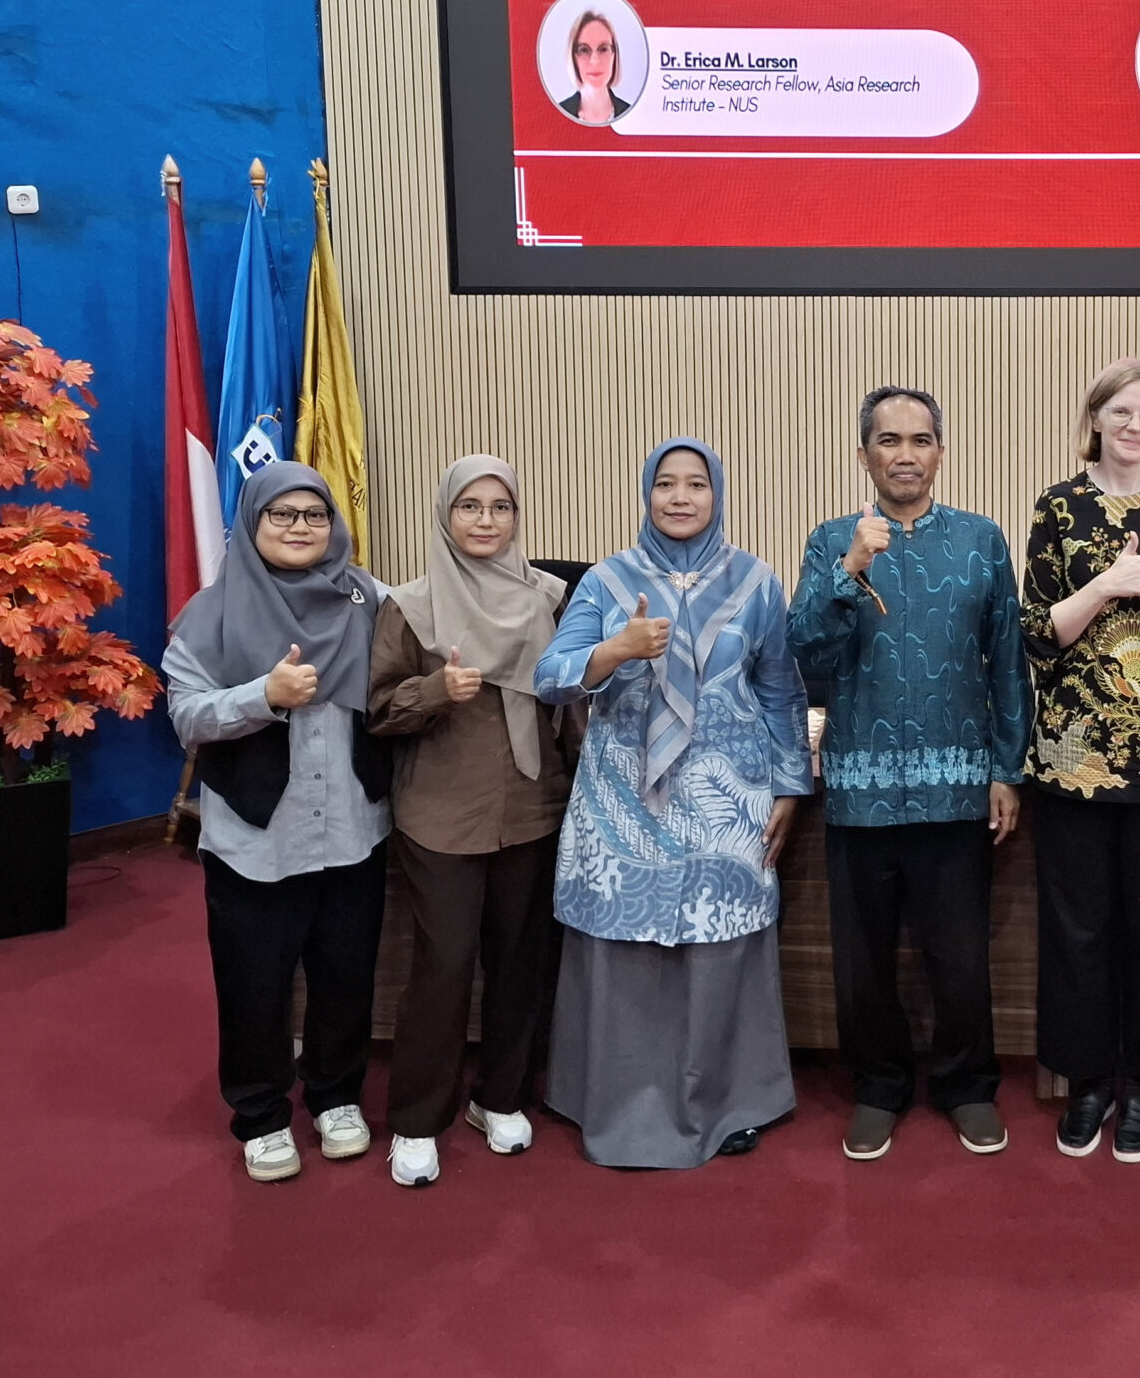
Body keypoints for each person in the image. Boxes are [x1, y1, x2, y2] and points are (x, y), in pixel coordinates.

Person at [532, 439, 811, 1168]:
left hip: (726, 798)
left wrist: (789, 786)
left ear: (718, 495)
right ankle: (619, 1104)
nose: (681, 497)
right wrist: (616, 649)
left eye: (696, 484)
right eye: (665, 484)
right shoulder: (607, 581)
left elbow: (780, 691)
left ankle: (730, 1104)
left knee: (718, 947)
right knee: (625, 949)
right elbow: (550, 677)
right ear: (646, 493)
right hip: (624, 797)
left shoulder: (755, 582)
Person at [789, 386, 1030, 1163]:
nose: (904, 454)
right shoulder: (833, 540)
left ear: (940, 453)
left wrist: (1007, 767)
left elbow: (1008, 660)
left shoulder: (980, 540)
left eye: (919, 440)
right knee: (862, 960)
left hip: (957, 783)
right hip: (860, 785)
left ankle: (967, 1086)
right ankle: (879, 1087)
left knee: (959, 956)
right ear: (864, 455)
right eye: (888, 441)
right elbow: (805, 651)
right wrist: (849, 571)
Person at [163, 461, 389, 1184]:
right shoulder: (211, 613)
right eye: (282, 515)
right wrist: (263, 694)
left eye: (314, 515)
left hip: (353, 830)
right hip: (256, 839)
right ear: (252, 523)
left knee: (346, 975)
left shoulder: (369, 599)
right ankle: (260, 1115)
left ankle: (335, 1096)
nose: (300, 528)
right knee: (253, 985)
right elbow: (186, 717)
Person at [1021, 358, 1140, 1164]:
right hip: (1069, 758)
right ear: (1095, 418)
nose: (1138, 426)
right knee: (1077, 931)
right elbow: (1039, 636)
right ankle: (1088, 1080)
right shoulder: (1057, 507)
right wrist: (1104, 583)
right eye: (1123, 412)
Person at [367, 455, 575, 1188]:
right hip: (441, 814)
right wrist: (435, 690)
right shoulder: (410, 606)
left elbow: (572, 700)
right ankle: (418, 1118)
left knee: (520, 961)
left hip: (532, 805)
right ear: (445, 515)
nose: (486, 520)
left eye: (500, 507)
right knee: (445, 964)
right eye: (470, 506)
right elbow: (380, 711)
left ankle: (500, 1097)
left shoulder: (551, 598)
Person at [557, 11, 627, 126]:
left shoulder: (633, 115)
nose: (595, 61)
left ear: (614, 55)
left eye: (603, 49)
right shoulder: (555, 116)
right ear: (573, 58)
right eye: (584, 50)